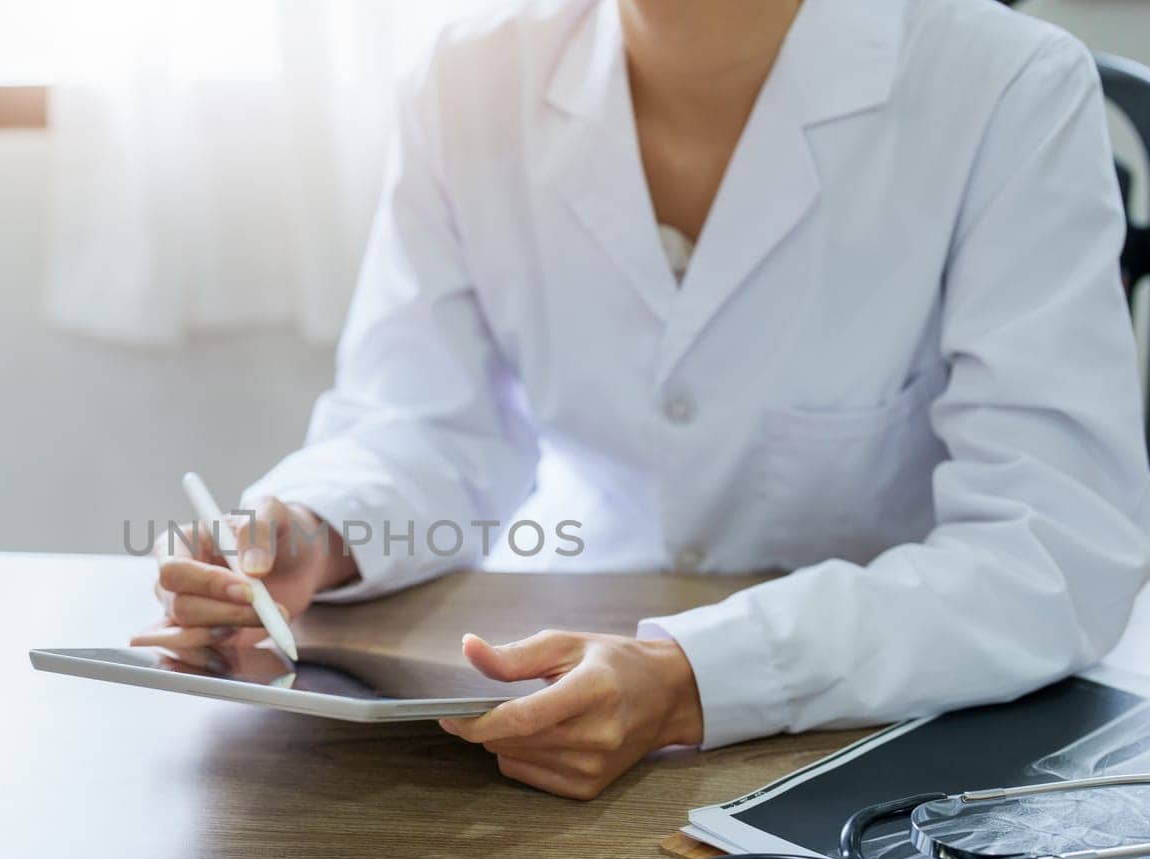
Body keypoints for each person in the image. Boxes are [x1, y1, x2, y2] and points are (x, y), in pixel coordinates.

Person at [135, 0, 1150, 799]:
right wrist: (314, 533)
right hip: (549, 696)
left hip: (904, 718)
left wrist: (695, 676)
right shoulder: (468, 76)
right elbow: (424, 422)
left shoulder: (1008, 88)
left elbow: (1052, 548)